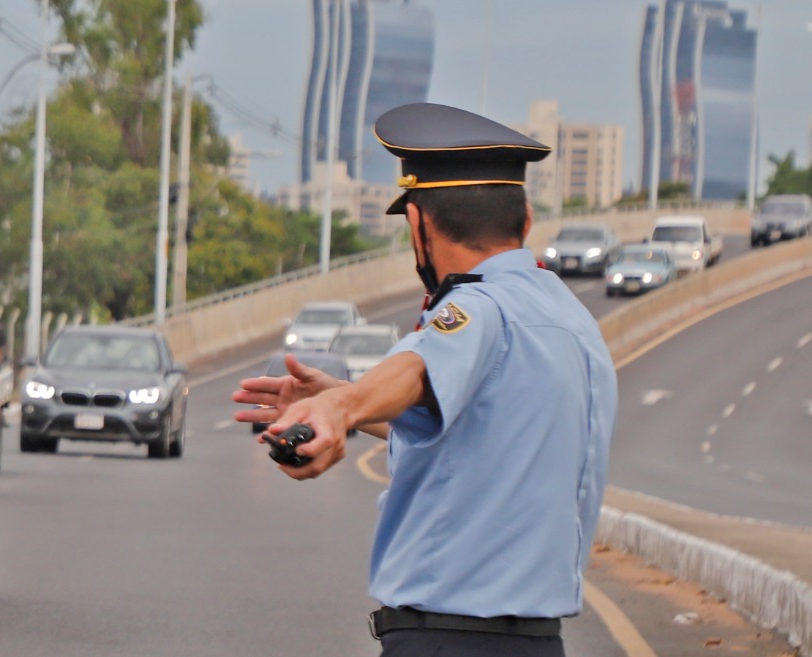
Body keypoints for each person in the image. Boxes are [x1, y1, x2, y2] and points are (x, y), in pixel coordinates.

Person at [232, 103, 617, 657]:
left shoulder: (477, 309)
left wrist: (340, 411)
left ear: (418, 224)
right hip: (539, 642)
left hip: (446, 639)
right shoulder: (571, 320)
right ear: (525, 220)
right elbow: (480, 430)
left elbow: (420, 365)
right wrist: (346, 401)